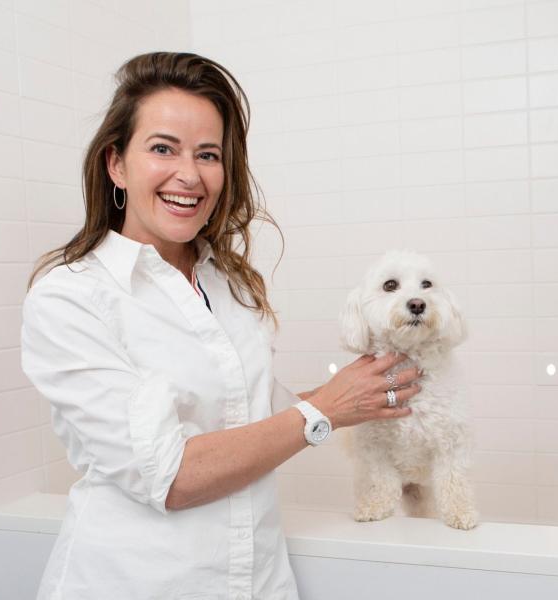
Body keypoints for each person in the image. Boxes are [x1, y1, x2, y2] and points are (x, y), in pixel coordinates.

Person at [21, 52, 422, 600]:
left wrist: (366, 395)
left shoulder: (229, 285)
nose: (189, 174)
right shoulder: (71, 297)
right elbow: (171, 476)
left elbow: (254, 416)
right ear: (116, 164)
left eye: (208, 154)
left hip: (256, 582)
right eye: (163, 148)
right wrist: (327, 407)